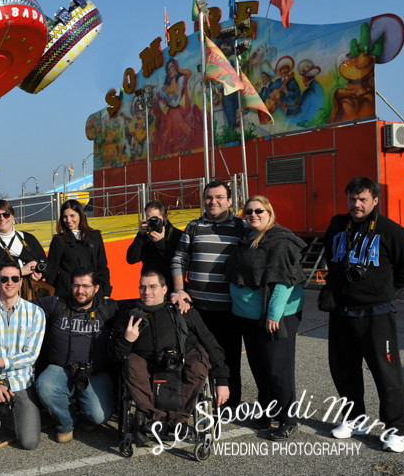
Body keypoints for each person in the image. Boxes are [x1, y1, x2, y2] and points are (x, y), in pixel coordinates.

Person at [323, 177, 404, 453]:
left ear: (375, 200)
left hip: (377, 316)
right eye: (352, 198)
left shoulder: (390, 231)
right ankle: (355, 420)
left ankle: (395, 430)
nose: (357, 204)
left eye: (363, 199)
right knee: (344, 372)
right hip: (341, 314)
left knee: (386, 375)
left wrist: (385, 292)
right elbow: (331, 258)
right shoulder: (338, 226)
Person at [225, 195, 307, 441]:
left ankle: (288, 419)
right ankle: (267, 410)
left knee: (277, 369)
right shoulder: (246, 239)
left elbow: (285, 279)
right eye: (248, 212)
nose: (253, 215)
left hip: (274, 316)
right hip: (247, 317)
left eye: (259, 211)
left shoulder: (279, 241)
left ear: (269, 213)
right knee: (259, 367)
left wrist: (274, 314)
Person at [109, 271, 230, 434]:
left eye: (153, 287)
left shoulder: (182, 310)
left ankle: (178, 419)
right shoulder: (129, 316)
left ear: (165, 289)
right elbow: (114, 355)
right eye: (143, 287)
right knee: (131, 363)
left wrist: (222, 380)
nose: (147, 292)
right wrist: (127, 340)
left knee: (198, 363)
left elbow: (210, 342)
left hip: (180, 358)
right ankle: (155, 419)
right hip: (146, 364)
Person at [171, 180, 247, 409]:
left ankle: (229, 405)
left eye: (219, 197)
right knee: (197, 356)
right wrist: (179, 289)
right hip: (197, 309)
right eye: (209, 197)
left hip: (230, 308)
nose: (213, 202)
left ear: (230, 201)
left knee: (229, 357)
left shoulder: (242, 227)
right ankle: (198, 402)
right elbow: (179, 259)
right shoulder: (193, 227)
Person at [35, 268, 118, 443]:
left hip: (94, 372)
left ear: (96, 288)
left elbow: (137, 308)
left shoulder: (108, 309)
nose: (80, 291)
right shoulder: (56, 304)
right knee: (45, 386)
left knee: (98, 417)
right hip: (61, 369)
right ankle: (66, 422)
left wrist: (177, 296)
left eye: (86, 286)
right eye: (76, 286)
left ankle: (85, 410)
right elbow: (20, 305)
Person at [0, 261, 46, 450]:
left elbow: (31, 356)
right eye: (4, 279)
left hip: (21, 380)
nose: (10, 282)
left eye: (15, 278)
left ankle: (10, 411)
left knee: (29, 442)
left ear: (21, 281)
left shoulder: (36, 313)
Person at [0, 199, 47, 298]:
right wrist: (21, 271)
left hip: (34, 296)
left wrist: (40, 274)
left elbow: (47, 264)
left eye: (6, 214)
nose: (2, 218)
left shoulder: (29, 238)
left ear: (12, 215)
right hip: (5, 299)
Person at [46, 199, 112, 300]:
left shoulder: (95, 237)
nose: (68, 220)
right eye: (65, 217)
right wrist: (50, 298)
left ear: (80, 215)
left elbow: (102, 267)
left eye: (72, 216)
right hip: (67, 295)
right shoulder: (58, 241)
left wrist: (106, 294)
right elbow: (52, 273)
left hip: (92, 294)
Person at [126, 200, 182, 286]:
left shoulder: (177, 235)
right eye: (149, 218)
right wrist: (140, 236)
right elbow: (131, 259)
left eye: (155, 218)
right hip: (149, 286)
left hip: (170, 286)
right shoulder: (145, 236)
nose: (152, 222)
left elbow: (177, 263)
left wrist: (161, 243)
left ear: (165, 217)